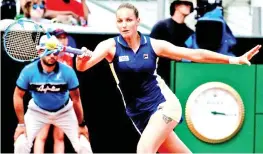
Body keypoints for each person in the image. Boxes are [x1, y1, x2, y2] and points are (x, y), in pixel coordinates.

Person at [75, 3, 261, 153]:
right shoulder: (109, 46)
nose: (124, 24)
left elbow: (195, 54)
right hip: (139, 114)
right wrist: (81, 58)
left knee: (144, 149)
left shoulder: (154, 45)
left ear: (137, 21)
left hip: (164, 105)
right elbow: (84, 66)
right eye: (120, 21)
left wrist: (233, 59)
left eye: (129, 20)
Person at [13, 35, 93, 154]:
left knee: (84, 145)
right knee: (20, 143)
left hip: (64, 111)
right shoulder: (28, 71)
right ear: (40, 51)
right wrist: (21, 124)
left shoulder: (68, 72)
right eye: (48, 52)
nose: (52, 56)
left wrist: (81, 124)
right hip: (37, 111)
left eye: (55, 53)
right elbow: (18, 96)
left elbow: (76, 99)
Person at [33, 29, 77, 154]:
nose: (62, 40)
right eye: (59, 38)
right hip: (44, 101)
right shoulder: (47, 56)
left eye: (64, 37)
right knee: (41, 136)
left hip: (62, 102)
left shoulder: (69, 56)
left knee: (59, 137)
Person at [150, 0, 194, 85]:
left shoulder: (189, 32)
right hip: (161, 73)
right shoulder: (161, 26)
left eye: (190, 4)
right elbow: (150, 48)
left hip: (181, 74)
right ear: (176, 6)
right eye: (185, 3)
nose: (188, 6)